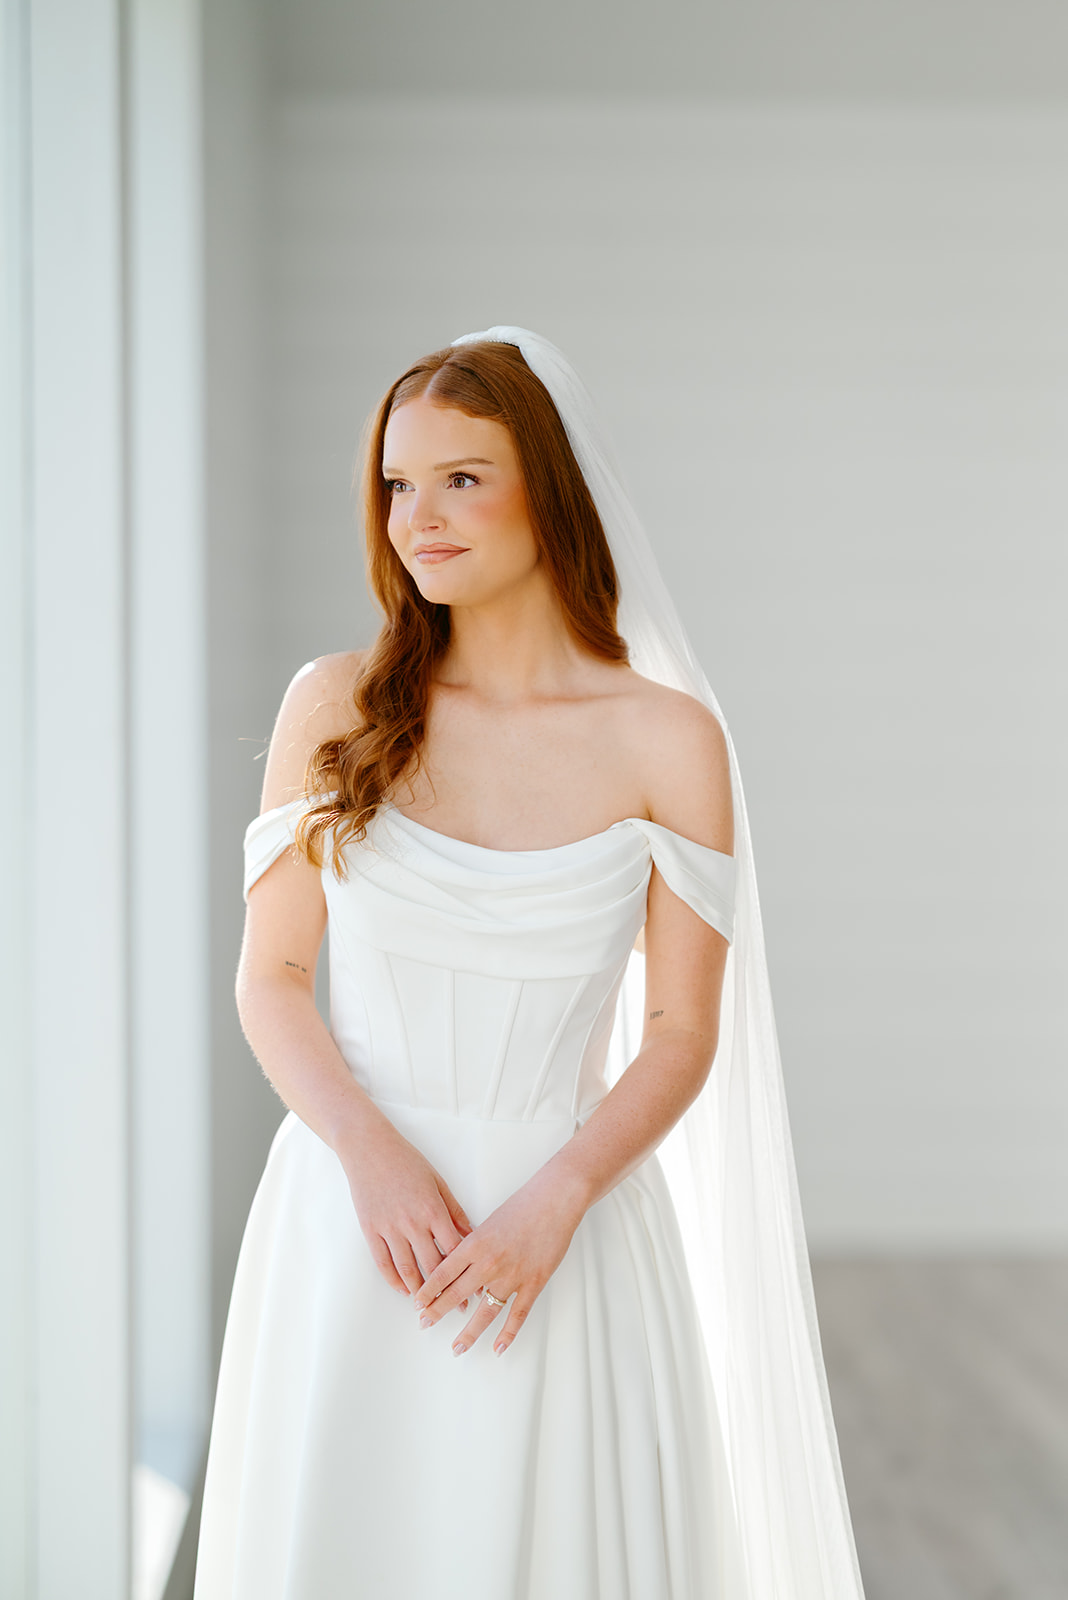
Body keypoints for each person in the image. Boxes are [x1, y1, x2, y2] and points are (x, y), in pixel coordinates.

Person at [193, 328, 865, 1599]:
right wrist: (372, 1159)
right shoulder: (335, 704)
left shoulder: (668, 739)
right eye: (397, 484)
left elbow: (678, 1030)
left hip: (563, 1228)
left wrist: (555, 1204)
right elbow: (270, 980)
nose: (417, 517)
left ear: (546, 491)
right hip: (352, 1223)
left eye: (461, 477)